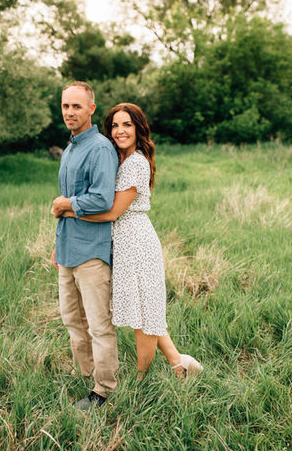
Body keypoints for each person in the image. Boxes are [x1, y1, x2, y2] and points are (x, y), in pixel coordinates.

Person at [62, 103, 203, 379]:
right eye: (115, 125)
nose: (120, 131)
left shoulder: (137, 163)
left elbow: (112, 212)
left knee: (144, 314)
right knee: (144, 309)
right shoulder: (118, 158)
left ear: (138, 128)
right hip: (121, 243)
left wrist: (69, 209)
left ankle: (141, 380)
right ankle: (178, 364)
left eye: (127, 125)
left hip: (137, 242)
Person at [51, 81, 119, 412]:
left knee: (98, 325)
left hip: (92, 252)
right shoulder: (70, 149)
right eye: (66, 106)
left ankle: (104, 389)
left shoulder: (101, 148)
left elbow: (103, 199)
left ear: (91, 108)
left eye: (76, 106)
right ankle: (86, 374)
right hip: (67, 249)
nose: (70, 112)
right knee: (72, 320)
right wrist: (57, 245)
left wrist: (66, 204)